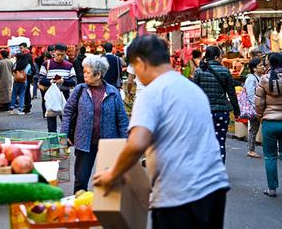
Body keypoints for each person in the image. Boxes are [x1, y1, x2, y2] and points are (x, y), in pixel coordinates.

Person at [94, 35, 230, 229]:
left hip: (180, 197)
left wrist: (112, 174)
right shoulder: (191, 88)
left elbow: (136, 144)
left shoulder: (151, 93)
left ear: (140, 62)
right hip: (214, 190)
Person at [61, 56, 128, 193]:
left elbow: (121, 119)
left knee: (109, 180)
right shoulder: (80, 90)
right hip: (84, 142)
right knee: (81, 179)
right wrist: (63, 135)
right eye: (83, 71)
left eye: (87, 72)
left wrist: (125, 142)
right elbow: (67, 112)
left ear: (98, 75)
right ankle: (79, 207)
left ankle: (106, 210)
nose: (83, 74)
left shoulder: (113, 92)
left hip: (108, 142)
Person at [194, 46, 240, 163]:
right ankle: (219, 171)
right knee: (220, 141)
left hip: (203, 112)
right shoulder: (225, 71)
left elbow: (194, 93)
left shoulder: (199, 71)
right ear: (216, 57)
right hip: (221, 112)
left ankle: (206, 171)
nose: (221, 58)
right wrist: (236, 111)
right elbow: (232, 94)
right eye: (220, 56)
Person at [255, 52, 282, 197]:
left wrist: (261, 117)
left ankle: (272, 189)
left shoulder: (264, 80)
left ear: (270, 64)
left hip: (269, 123)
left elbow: (259, 103)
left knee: (270, 156)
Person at [39, 43, 77, 132]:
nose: (60, 57)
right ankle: (53, 144)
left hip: (64, 97)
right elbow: (41, 79)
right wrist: (50, 81)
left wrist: (64, 81)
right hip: (51, 96)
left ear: (65, 54)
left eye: (62, 55)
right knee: (51, 124)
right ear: (54, 52)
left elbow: (74, 82)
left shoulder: (69, 66)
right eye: (58, 54)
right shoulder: (46, 64)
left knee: (66, 122)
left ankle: (65, 142)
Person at [244, 57, 265, 158]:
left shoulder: (260, 77)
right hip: (255, 108)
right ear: (254, 68)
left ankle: (251, 149)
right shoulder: (251, 78)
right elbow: (251, 95)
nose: (262, 66)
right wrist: (256, 107)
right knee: (253, 129)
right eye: (260, 65)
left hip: (260, 107)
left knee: (255, 128)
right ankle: (251, 150)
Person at [10, 49, 31, 115]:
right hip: (24, 80)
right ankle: (20, 110)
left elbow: (13, 70)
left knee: (14, 95)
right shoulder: (27, 64)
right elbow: (28, 72)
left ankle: (12, 109)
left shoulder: (16, 64)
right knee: (22, 95)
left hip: (16, 80)